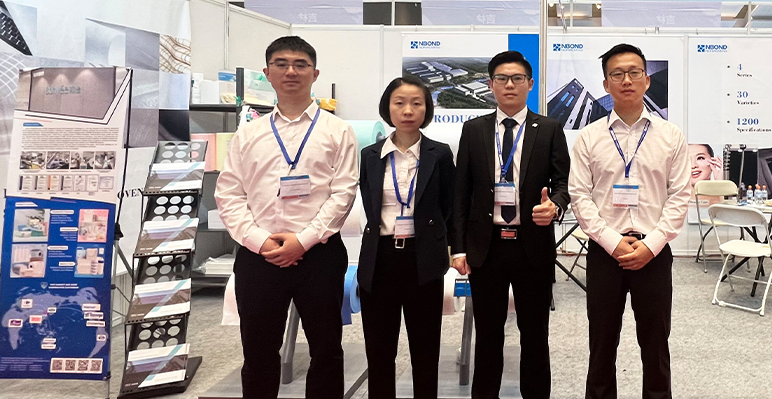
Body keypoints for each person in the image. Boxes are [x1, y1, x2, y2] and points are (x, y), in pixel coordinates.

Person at [215, 36, 359, 399]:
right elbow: (229, 194)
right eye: (281, 64)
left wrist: (303, 241)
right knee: (258, 352)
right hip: (259, 256)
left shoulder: (338, 131)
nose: (291, 71)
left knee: (326, 350)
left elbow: (343, 194)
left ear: (315, 73)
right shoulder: (248, 133)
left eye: (300, 64)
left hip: (319, 255)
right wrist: (261, 241)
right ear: (267, 73)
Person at [569, 43, 691, 399]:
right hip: (605, 252)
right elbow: (580, 196)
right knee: (601, 343)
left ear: (646, 80)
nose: (627, 80)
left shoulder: (670, 135)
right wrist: (612, 241)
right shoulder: (589, 137)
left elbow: (679, 195)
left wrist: (651, 245)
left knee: (655, 345)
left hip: (654, 253)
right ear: (606, 84)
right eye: (617, 74)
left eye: (634, 72)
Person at [452, 50, 570, 399]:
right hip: (486, 247)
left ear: (530, 84)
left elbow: (564, 184)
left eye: (517, 78)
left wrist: (555, 207)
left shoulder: (549, 129)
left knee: (535, 335)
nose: (509, 85)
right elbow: (461, 192)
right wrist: (458, 248)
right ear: (490, 84)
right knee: (488, 335)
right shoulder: (474, 130)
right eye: (502, 78)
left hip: (532, 246)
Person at [357, 76, 455, 399]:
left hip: (422, 259)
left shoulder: (440, 154)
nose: (408, 110)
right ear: (387, 107)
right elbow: (369, 204)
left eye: (416, 103)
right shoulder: (370, 155)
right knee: (379, 353)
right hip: (379, 260)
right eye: (399, 103)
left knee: (425, 352)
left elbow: (447, 205)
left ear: (427, 109)